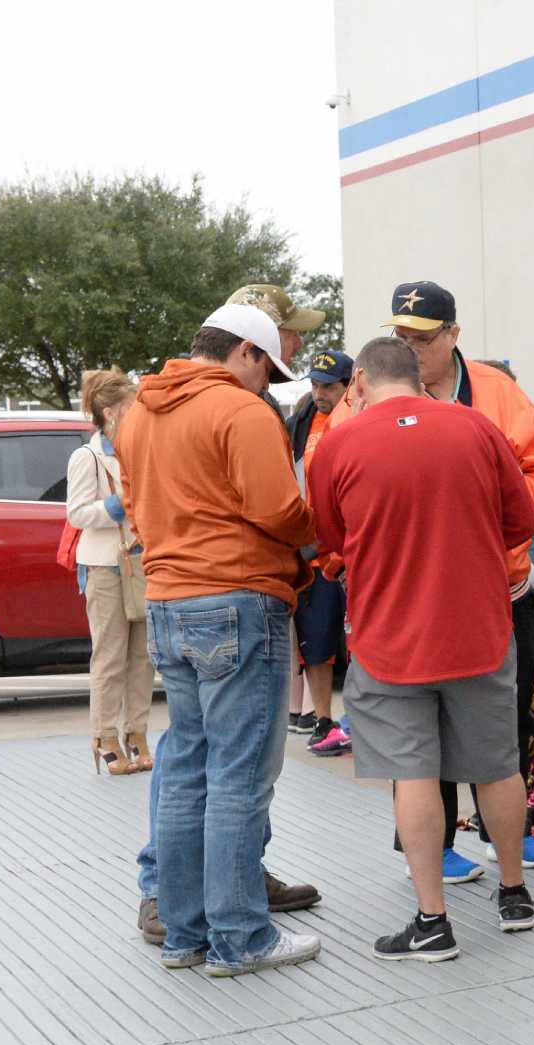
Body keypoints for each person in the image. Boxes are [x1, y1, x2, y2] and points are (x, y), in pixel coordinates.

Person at [308, 337, 534, 959]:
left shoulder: (338, 444)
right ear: (418, 375)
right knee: (497, 765)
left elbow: (329, 534)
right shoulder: (477, 428)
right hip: (479, 629)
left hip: (390, 638)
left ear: (359, 380)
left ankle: (432, 921)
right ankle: (514, 894)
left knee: (412, 774)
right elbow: (521, 521)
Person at [122, 302, 321, 977]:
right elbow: (277, 510)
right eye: (269, 369)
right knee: (238, 775)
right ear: (248, 354)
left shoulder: (140, 412)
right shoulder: (239, 411)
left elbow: (138, 509)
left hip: (168, 601)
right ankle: (241, 937)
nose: (268, 385)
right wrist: (316, 529)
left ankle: (184, 934)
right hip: (237, 597)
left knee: (184, 767)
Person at [382, 279, 534, 880]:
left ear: (454, 336)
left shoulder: (495, 391)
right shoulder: (377, 389)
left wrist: (497, 518)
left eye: (423, 338)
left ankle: (503, 833)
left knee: (506, 713)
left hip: (497, 586)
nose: (411, 349)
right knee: (420, 728)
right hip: (412, 591)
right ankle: (432, 846)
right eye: (401, 336)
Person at [65, 369, 152, 775]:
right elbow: (77, 513)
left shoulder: (137, 449)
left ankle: (137, 732)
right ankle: (104, 736)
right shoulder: (87, 457)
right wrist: (116, 508)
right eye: (131, 406)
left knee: (141, 657)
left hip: (139, 562)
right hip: (103, 565)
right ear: (111, 411)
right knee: (110, 657)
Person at [288, 349, 352, 746]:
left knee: (361, 640)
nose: (319, 393)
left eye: (328, 386)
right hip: (314, 552)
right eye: (314, 385)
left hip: (353, 550)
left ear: (348, 385)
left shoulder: (359, 420)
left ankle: (362, 720)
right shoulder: (300, 423)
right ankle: (323, 719)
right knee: (315, 641)